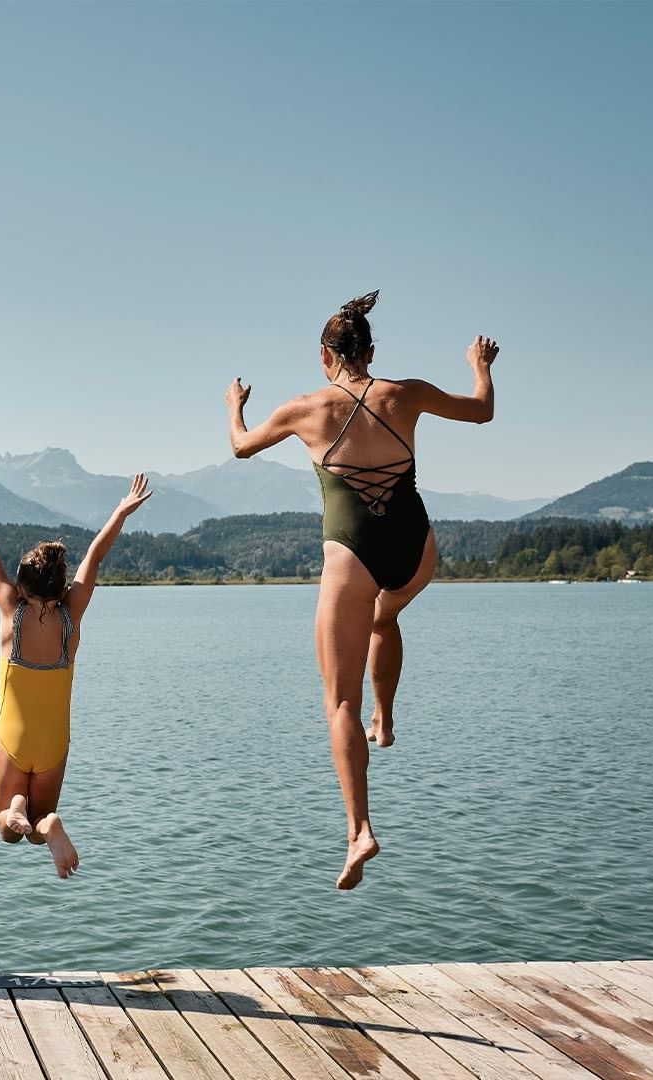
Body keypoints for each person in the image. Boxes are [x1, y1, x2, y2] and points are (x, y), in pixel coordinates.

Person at [226, 291, 498, 888]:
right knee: (382, 616)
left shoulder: (307, 408)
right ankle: (388, 720)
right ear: (370, 352)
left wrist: (234, 407)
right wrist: (480, 364)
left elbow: (241, 447)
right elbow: (482, 410)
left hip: (351, 552)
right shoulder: (407, 393)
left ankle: (359, 831)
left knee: (338, 701)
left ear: (326, 356)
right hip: (416, 547)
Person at [0, 462, 152, 880]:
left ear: (22, 586)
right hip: (54, 741)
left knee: (7, 829)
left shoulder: (10, 610)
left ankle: (16, 809)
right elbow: (96, 554)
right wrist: (121, 511)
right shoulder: (72, 613)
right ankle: (47, 826)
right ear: (59, 588)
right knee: (39, 826)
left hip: (13, 735)